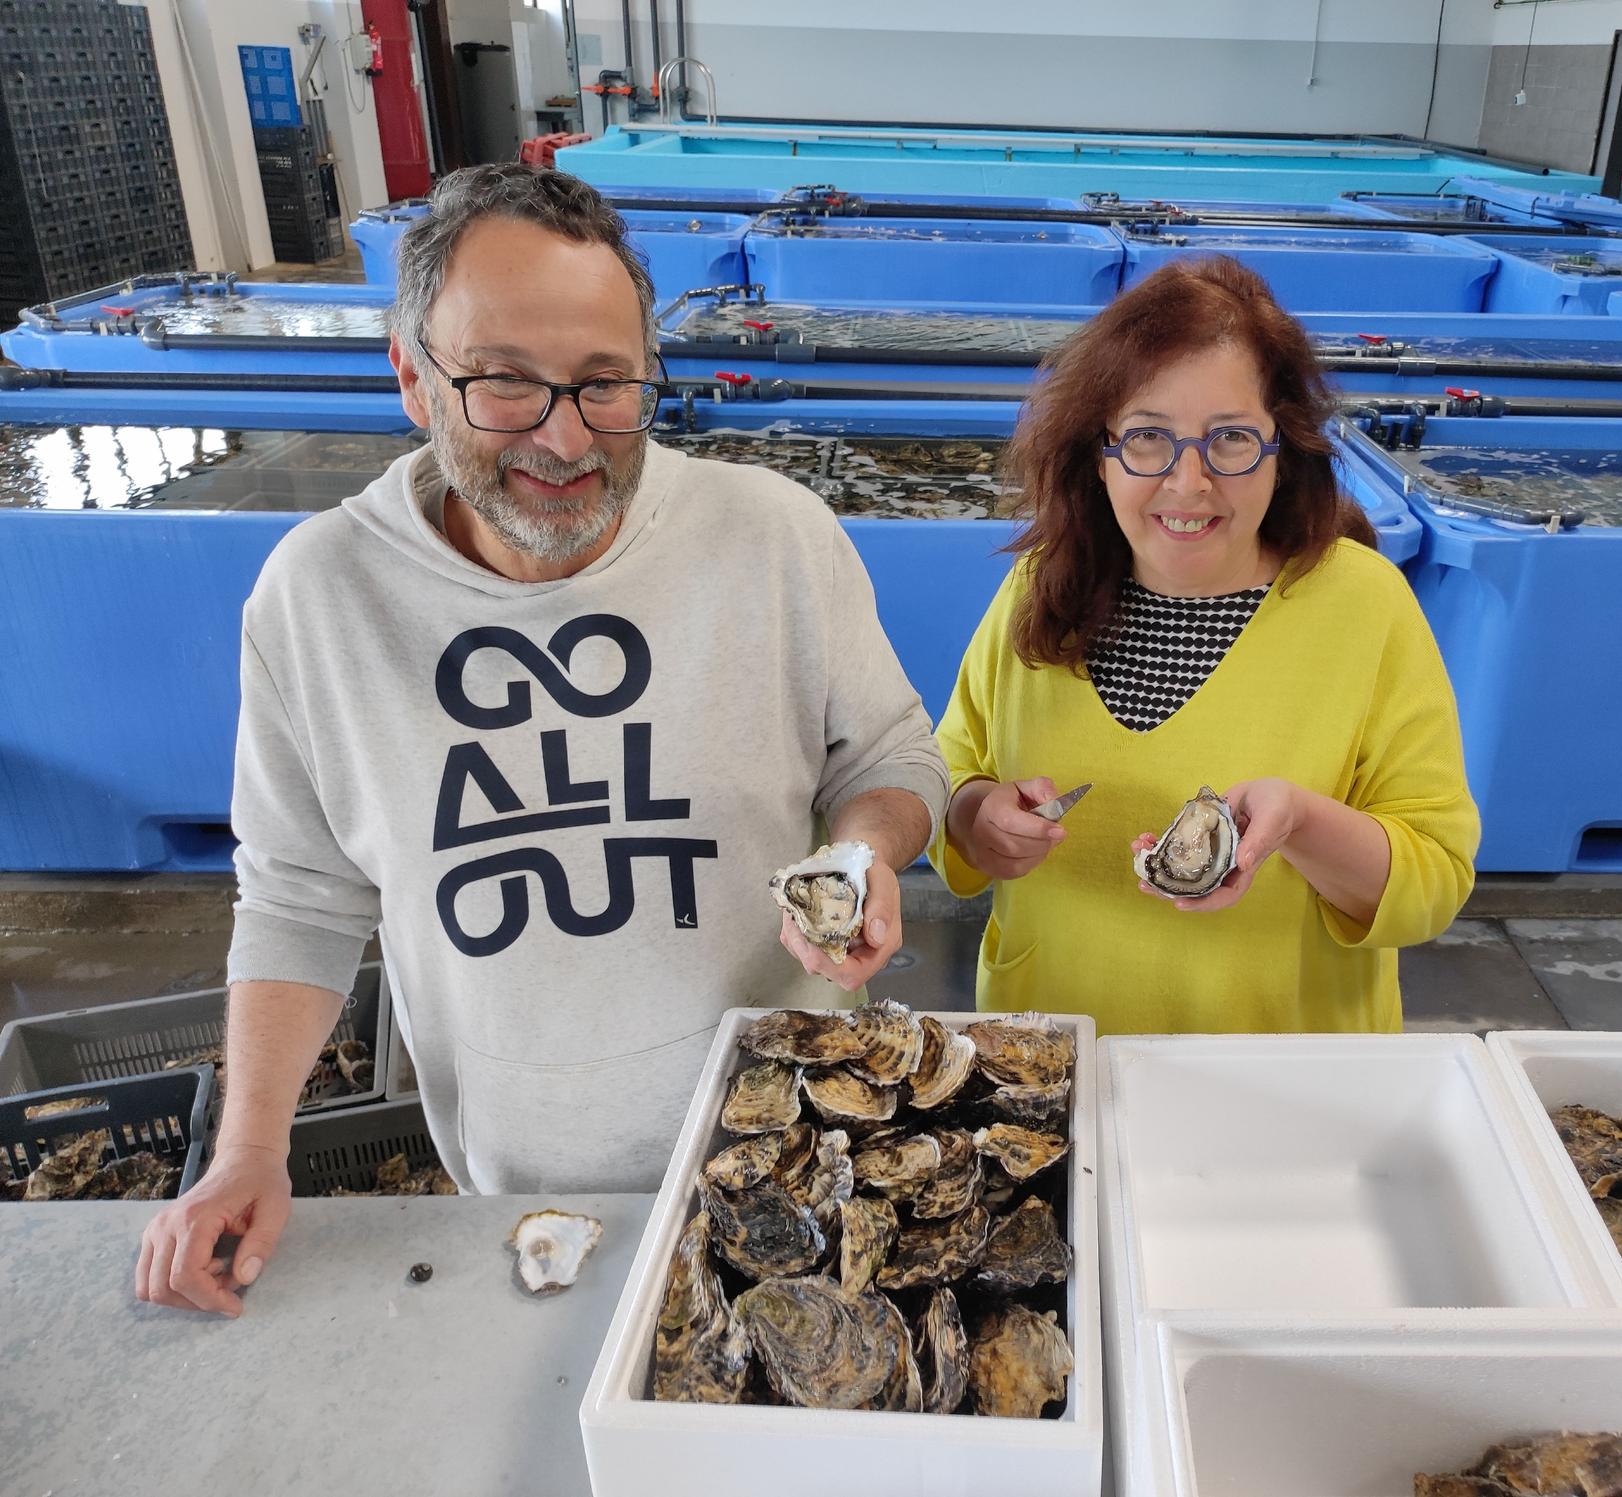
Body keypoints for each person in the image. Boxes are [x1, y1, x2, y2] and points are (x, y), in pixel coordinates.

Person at [136, 164, 946, 1316]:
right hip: (515, 1185)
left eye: (605, 384)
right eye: (504, 385)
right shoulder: (317, 597)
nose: (565, 440)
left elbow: (888, 757)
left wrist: (864, 851)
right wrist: (250, 1147)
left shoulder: (773, 537)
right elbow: (299, 898)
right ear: (411, 379)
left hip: (798, 1138)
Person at [933, 255, 1477, 1034]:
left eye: (1230, 440)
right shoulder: (1039, 588)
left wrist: (1303, 825)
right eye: (1149, 438)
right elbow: (953, 765)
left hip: (1279, 1072)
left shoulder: (1364, 606)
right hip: (1052, 1059)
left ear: (1283, 447)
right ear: (1100, 450)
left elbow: (1436, 875)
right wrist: (975, 813)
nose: (1188, 483)